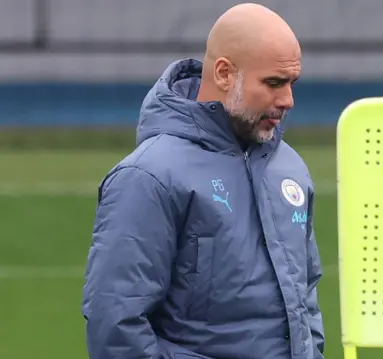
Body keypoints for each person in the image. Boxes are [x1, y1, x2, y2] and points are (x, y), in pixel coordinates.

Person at [81, 3, 325, 359]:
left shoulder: (289, 168)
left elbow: (305, 300)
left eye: (291, 83)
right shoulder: (148, 177)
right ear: (225, 74)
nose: (287, 100)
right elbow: (116, 326)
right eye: (273, 83)